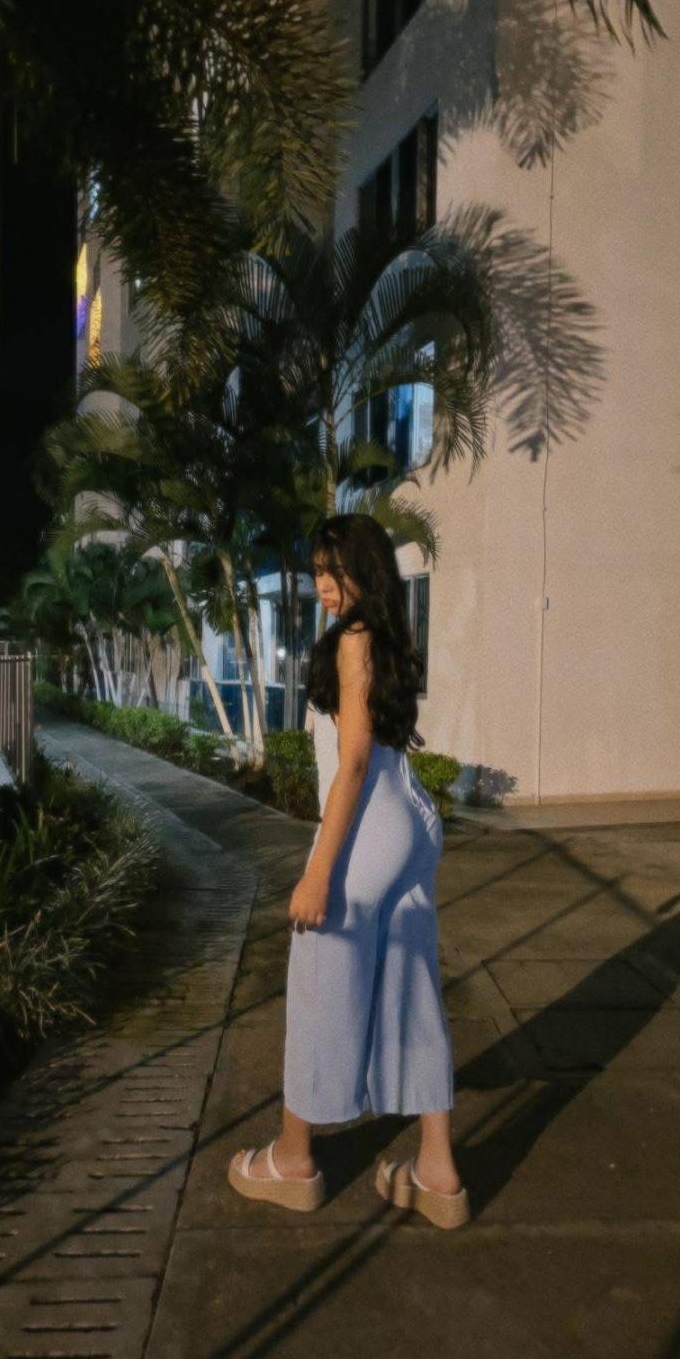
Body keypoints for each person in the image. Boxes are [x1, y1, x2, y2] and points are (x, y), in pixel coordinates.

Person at [227, 514, 468, 1228]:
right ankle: (437, 1170)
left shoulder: (353, 642)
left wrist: (319, 873)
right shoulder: (390, 636)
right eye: (318, 574)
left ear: (366, 568)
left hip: (366, 828)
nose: (324, 587)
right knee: (412, 989)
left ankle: (293, 1159)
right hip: (409, 822)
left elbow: (352, 761)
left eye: (335, 572)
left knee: (319, 982)